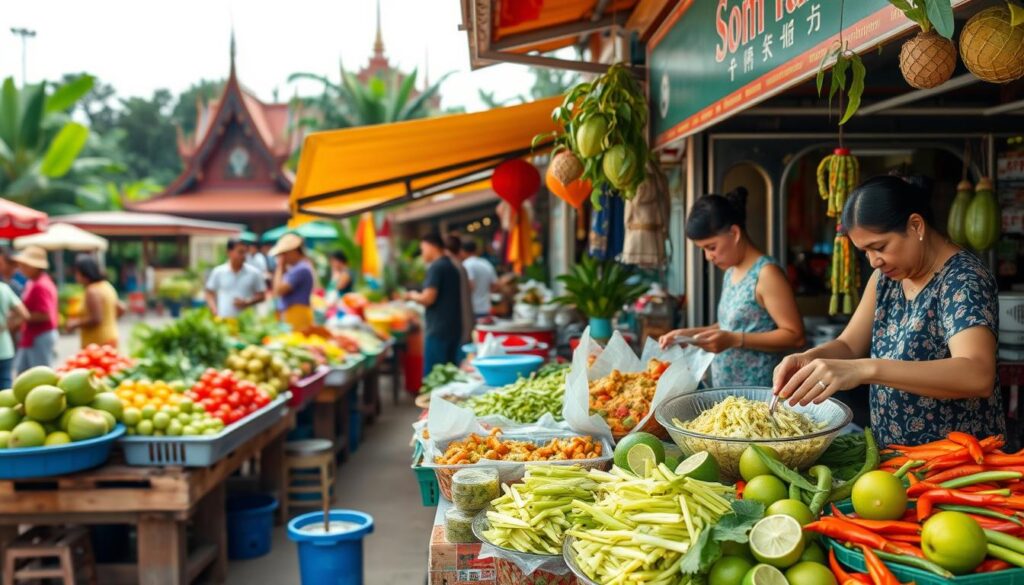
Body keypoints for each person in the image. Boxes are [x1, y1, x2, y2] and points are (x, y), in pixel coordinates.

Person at [772, 175, 1004, 446]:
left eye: (879, 247)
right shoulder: (886, 279)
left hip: (957, 464)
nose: (873, 261)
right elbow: (848, 345)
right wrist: (808, 359)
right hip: (895, 460)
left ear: (916, 226)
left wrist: (866, 369)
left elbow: (977, 374)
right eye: (865, 252)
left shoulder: (963, 279)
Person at [659, 188, 804, 386]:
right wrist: (688, 335)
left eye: (711, 247)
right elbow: (729, 326)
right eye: (703, 250)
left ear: (734, 233)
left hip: (757, 392)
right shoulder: (731, 272)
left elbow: (795, 336)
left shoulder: (767, 274)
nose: (708, 257)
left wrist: (735, 340)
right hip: (727, 389)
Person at [407, 233, 463, 373]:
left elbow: (428, 298)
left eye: (423, 248)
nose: (422, 253)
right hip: (453, 327)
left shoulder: (436, 267)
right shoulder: (451, 265)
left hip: (439, 329)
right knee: (449, 375)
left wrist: (412, 296)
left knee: (434, 376)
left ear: (431, 246)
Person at [12, 246, 58, 372]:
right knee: (23, 372)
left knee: (41, 373)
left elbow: (45, 314)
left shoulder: (41, 285)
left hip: (40, 335)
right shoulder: (33, 282)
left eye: (25, 265)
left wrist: (21, 317)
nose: (21, 268)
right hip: (31, 335)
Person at [64, 254, 125, 349]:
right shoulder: (106, 285)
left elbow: (96, 319)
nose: (75, 276)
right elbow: (122, 308)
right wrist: (109, 321)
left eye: (76, 272)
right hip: (111, 337)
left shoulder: (92, 291)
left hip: (98, 342)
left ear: (84, 273)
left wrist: (75, 323)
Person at [204, 240, 267, 320]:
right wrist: (214, 311)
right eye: (240, 252)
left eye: (245, 252)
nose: (244, 256)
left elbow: (262, 296)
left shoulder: (254, 273)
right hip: (224, 321)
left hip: (248, 323)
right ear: (229, 252)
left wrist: (248, 302)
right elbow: (209, 293)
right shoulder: (218, 272)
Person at [269, 233, 315, 332]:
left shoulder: (301, 269)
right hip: (293, 314)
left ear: (294, 251)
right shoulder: (299, 267)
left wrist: (280, 266)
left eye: (284, 253)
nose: (283, 257)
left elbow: (279, 290)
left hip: (297, 315)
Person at [0, 278, 27, 388]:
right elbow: (24, 315)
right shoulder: (4, 288)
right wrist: (7, 327)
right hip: (6, 349)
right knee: (6, 390)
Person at [461, 239, 498, 319]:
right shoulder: (486, 263)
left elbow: (471, 285)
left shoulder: (466, 265)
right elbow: (494, 286)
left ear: (462, 251)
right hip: (486, 308)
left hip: (471, 309)